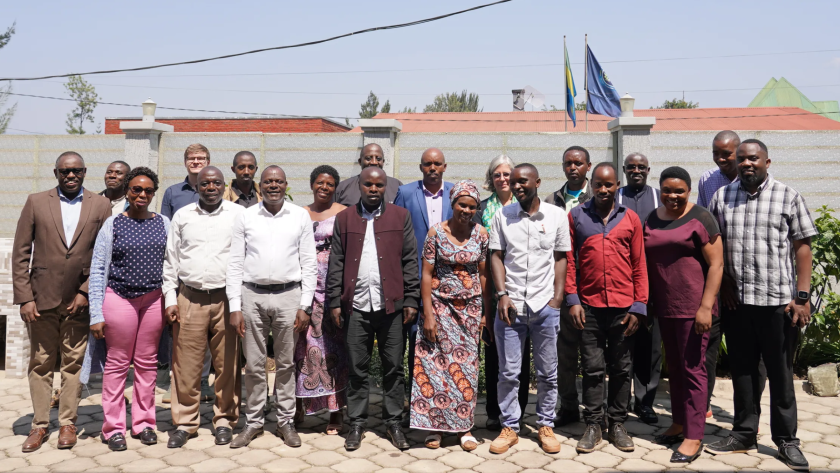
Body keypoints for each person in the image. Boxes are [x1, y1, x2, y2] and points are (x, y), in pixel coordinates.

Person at [705, 139, 816, 472]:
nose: (746, 164)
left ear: (768, 161)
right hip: (738, 303)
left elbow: (803, 247)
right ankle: (743, 433)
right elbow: (714, 246)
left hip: (778, 304)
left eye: (753, 158)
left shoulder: (787, 196)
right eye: (741, 159)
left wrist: (802, 296)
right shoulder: (721, 197)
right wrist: (723, 282)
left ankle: (786, 441)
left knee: (781, 375)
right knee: (743, 371)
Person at [12, 152, 111, 453]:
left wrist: (85, 291)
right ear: (56, 172)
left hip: (78, 301)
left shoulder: (100, 204)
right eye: (65, 171)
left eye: (77, 171)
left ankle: (68, 423)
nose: (71, 176)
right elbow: (20, 254)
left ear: (84, 172)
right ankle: (40, 425)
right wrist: (25, 297)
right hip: (41, 300)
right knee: (41, 364)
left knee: (74, 363)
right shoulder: (36, 202)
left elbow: (103, 253)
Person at [326, 166, 420, 452]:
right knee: (358, 368)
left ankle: (393, 422)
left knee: (394, 368)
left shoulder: (400, 217)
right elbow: (336, 262)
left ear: (385, 188)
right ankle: (356, 423)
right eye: (368, 185)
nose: (374, 190)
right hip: (356, 307)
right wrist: (334, 301)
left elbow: (409, 259)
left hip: (390, 307)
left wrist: (411, 299)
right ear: (360, 185)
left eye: (379, 185)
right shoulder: (344, 219)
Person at [227, 166, 317, 449]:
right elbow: (235, 262)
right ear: (260, 186)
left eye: (278, 181)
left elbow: (309, 262)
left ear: (286, 184)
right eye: (268, 182)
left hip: (289, 295)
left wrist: (305, 305)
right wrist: (234, 305)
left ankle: (285, 421)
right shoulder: (246, 216)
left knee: (286, 363)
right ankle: (253, 422)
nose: (273, 186)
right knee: (253, 364)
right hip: (251, 296)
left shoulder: (299, 215)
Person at [85, 167, 170, 451]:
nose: (142, 195)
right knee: (117, 364)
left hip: (153, 299)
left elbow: (172, 266)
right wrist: (96, 313)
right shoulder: (113, 224)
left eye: (148, 190)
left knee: (147, 365)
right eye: (136, 189)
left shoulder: (164, 223)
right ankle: (113, 428)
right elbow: (98, 269)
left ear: (154, 193)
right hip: (119, 298)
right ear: (127, 191)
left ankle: (145, 423)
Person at [488, 163, 570, 455]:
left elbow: (561, 257)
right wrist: (502, 294)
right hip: (511, 308)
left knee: (548, 372)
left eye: (523, 181)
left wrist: (557, 297)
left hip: (545, 305)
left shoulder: (557, 215)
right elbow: (496, 257)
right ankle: (510, 426)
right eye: (513, 181)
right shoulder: (503, 215)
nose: (517, 185)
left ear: (538, 181)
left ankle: (545, 425)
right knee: (509, 372)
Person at [565, 162, 646, 454]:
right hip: (589, 306)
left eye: (608, 185)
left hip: (624, 307)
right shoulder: (576, 216)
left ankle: (619, 423)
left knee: (622, 368)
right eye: (598, 184)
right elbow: (569, 261)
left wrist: (639, 307)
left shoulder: (631, 219)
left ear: (617, 185)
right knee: (592, 367)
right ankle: (594, 424)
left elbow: (639, 264)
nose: (602, 189)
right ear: (591, 184)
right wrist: (572, 299)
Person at [645, 167, 723, 464]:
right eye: (667, 190)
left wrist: (705, 307)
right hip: (664, 308)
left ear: (688, 190)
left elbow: (716, 265)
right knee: (675, 368)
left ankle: (694, 435)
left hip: (694, 309)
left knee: (693, 370)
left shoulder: (701, 217)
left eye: (679, 191)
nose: (673, 196)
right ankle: (679, 423)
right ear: (660, 189)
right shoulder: (652, 217)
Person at [163, 166, 245, 448]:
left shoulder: (238, 215)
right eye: (205, 183)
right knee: (186, 365)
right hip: (190, 297)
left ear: (225, 186)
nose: (211, 187)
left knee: (228, 364)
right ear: (196, 185)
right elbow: (171, 259)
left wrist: (238, 304)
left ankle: (224, 419)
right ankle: (185, 422)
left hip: (226, 298)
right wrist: (170, 299)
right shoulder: (183, 216)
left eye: (217, 183)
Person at [411, 180, 489, 452]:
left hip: (469, 311)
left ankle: (465, 428)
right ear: (452, 204)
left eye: (471, 206)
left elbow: (484, 274)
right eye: (461, 205)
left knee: (466, 369)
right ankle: (436, 427)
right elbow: (426, 274)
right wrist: (428, 314)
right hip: (439, 309)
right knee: (434, 367)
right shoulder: (436, 233)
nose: (466, 210)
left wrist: (484, 314)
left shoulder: (481, 234)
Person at [696, 130, 767, 420]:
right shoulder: (708, 182)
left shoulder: (755, 183)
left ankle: (750, 414)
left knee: (751, 354)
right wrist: (719, 278)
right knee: (708, 347)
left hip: (751, 287)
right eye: (717, 153)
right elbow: (705, 230)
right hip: (716, 280)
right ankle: (703, 403)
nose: (722, 159)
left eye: (727, 154)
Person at [394, 147, 454, 425]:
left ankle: (448, 404)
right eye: (427, 164)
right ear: (420, 167)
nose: (432, 168)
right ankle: (414, 405)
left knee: (448, 351)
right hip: (415, 284)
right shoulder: (406, 193)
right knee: (414, 348)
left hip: (451, 288)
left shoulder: (456, 193)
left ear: (444, 167)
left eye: (437, 164)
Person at [473, 155, 531, 431]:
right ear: (491, 178)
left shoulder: (526, 208)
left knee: (521, 352)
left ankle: (518, 410)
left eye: (508, 174)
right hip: (489, 286)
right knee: (495, 350)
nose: (503, 179)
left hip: (522, 285)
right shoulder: (481, 209)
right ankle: (495, 411)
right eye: (497, 174)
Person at [294, 165, 348, 435]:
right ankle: (299, 405)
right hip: (304, 286)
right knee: (302, 349)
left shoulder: (344, 214)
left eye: (329, 183)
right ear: (312, 184)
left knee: (332, 351)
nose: (324, 187)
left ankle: (336, 410)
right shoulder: (300, 213)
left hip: (333, 289)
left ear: (335, 186)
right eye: (319, 183)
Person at [159, 143, 213, 403]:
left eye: (201, 158)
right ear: (185, 162)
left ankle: (203, 382)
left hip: (212, 276)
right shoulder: (172, 193)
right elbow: (166, 235)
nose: (196, 162)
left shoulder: (217, 190)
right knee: (180, 334)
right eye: (192, 158)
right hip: (183, 276)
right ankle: (177, 382)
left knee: (207, 336)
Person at [545, 146, 593, 427]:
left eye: (578, 163)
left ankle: (593, 409)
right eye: (568, 163)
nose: (572, 168)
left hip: (591, 286)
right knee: (564, 353)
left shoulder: (598, 195)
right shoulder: (552, 200)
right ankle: (568, 406)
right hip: (559, 287)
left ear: (588, 166)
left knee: (591, 354)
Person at [617, 153, 661, 425]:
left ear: (648, 170)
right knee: (623, 344)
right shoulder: (615, 196)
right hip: (622, 282)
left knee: (650, 345)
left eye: (641, 167)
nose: (636, 171)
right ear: (624, 170)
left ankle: (645, 402)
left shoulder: (658, 197)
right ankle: (620, 400)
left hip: (653, 283)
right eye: (631, 167)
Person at [333, 143, 403, 206]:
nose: (374, 162)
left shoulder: (397, 186)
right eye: (368, 158)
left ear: (383, 162)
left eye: (378, 159)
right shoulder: (343, 187)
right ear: (360, 161)